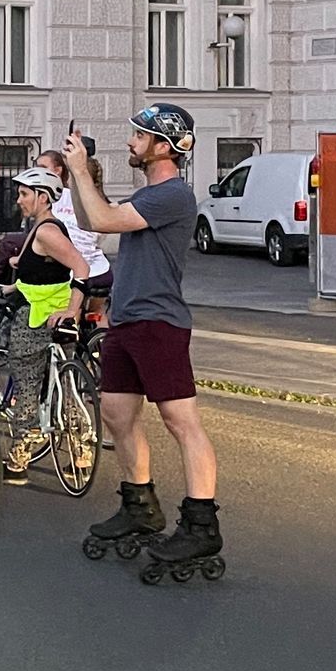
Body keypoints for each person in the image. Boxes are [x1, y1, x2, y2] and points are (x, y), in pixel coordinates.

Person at [63, 106, 222, 569]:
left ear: (164, 147)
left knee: (180, 421)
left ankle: (201, 525)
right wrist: (77, 177)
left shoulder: (173, 195)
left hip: (159, 323)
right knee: (115, 414)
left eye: (140, 135)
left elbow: (105, 219)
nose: (132, 142)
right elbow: (92, 218)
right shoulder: (148, 194)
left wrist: (78, 170)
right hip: (127, 320)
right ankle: (140, 507)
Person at [0, 169, 90, 481]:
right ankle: (80, 452)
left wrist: (72, 309)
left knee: (27, 382)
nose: (18, 200)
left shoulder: (46, 232)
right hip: (49, 312)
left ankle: (19, 458)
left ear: (43, 197)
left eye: (24, 194)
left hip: (39, 318)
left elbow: (81, 267)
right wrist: (8, 289)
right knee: (66, 384)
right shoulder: (40, 226)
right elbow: (42, 276)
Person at [39, 144, 111, 295]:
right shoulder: (102, 203)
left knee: (70, 313)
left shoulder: (60, 198)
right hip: (101, 270)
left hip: (72, 272)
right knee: (99, 313)